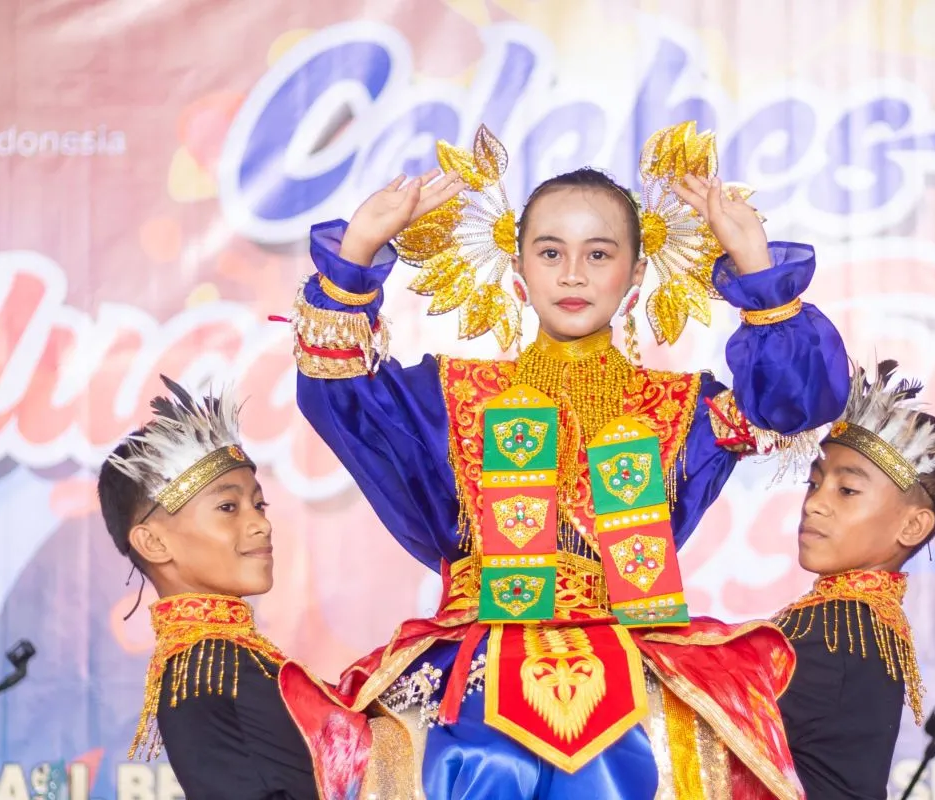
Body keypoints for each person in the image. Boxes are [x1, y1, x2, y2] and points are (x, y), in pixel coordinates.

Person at [276, 123, 850, 799]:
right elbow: (338, 393)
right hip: (475, 672)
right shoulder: (451, 397)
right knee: (472, 761)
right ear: (519, 271)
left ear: (636, 274)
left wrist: (756, 266)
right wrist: (356, 254)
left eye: (598, 253)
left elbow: (796, 402)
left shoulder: (684, 409)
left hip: (635, 670)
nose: (573, 273)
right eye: (550, 252)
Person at [98, 375, 319, 800]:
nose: (261, 523)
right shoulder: (210, 667)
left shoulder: (222, 660)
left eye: (259, 504)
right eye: (227, 507)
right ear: (153, 542)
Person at [774, 360, 935, 799]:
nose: (814, 504)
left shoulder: (835, 631)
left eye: (847, 490)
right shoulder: (856, 623)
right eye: (813, 484)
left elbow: (691, 728)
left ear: (913, 526)